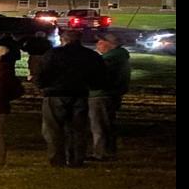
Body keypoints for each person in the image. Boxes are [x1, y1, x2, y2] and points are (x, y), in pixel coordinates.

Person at [34, 29, 104, 167]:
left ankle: (57, 159)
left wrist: (42, 86)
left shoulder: (53, 54)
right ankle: (77, 159)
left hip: (55, 94)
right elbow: (99, 75)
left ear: (63, 39)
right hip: (79, 93)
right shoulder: (90, 55)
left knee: (53, 128)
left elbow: (42, 72)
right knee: (78, 128)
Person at [89, 32, 131, 161]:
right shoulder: (119, 56)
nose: (98, 45)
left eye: (101, 42)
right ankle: (108, 150)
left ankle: (101, 153)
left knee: (100, 125)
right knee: (107, 124)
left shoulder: (109, 59)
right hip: (109, 94)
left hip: (102, 95)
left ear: (110, 44)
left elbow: (95, 75)